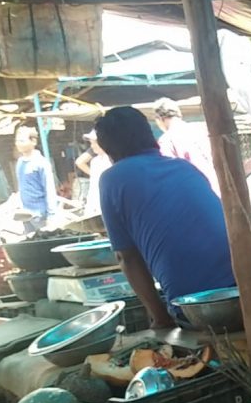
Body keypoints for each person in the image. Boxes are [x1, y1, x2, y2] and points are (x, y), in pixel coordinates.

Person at [95, 106, 237, 329]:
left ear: (107, 149)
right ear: (149, 135)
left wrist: (160, 318)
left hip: (199, 309)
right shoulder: (184, 167)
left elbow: (127, 258)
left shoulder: (112, 180)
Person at [152, 97, 220, 195]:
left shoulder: (166, 140)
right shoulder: (201, 130)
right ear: (179, 114)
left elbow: (169, 175)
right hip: (216, 190)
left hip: (193, 194)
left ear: (160, 119)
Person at [13, 126, 57, 234]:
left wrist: (51, 214)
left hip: (40, 214)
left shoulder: (41, 162)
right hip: (25, 213)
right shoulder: (20, 162)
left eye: (22, 141)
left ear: (33, 141)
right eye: (17, 141)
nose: (18, 144)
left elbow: (49, 188)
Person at [75, 129, 112, 217]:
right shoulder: (95, 162)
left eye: (94, 143)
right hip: (95, 206)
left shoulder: (112, 161)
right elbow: (93, 187)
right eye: (91, 143)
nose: (92, 146)